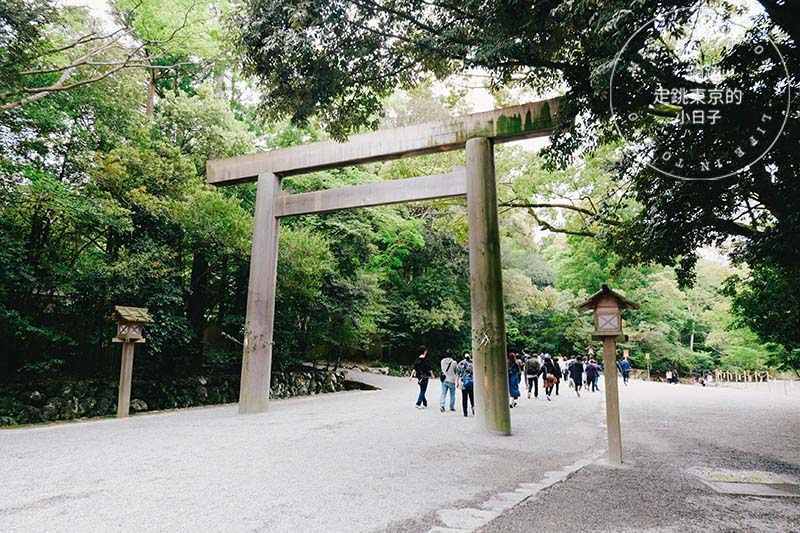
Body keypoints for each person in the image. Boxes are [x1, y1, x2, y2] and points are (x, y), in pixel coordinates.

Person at [456, 351, 475, 417]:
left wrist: (457, 382)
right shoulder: (473, 363)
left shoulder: (460, 364)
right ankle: (473, 408)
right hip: (472, 382)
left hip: (463, 383)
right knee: (472, 397)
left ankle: (465, 412)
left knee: (464, 398)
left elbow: (458, 374)